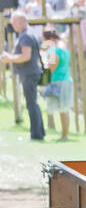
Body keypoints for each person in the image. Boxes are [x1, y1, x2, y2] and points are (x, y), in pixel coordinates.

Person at [2, 11, 44, 141]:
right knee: (33, 103)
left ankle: (36, 135)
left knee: (31, 104)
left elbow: (26, 56)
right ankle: (39, 132)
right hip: (32, 72)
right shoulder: (29, 34)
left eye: (14, 22)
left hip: (29, 73)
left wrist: (9, 58)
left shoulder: (25, 36)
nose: (12, 25)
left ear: (21, 21)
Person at [40, 28, 73, 140]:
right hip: (67, 79)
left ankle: (64, 135)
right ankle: (64, 134)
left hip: (58, 82)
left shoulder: (53, 50)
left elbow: (52, 67)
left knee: (62, 110)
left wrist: (45, 65)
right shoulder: (64, 48)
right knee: (65, 110)